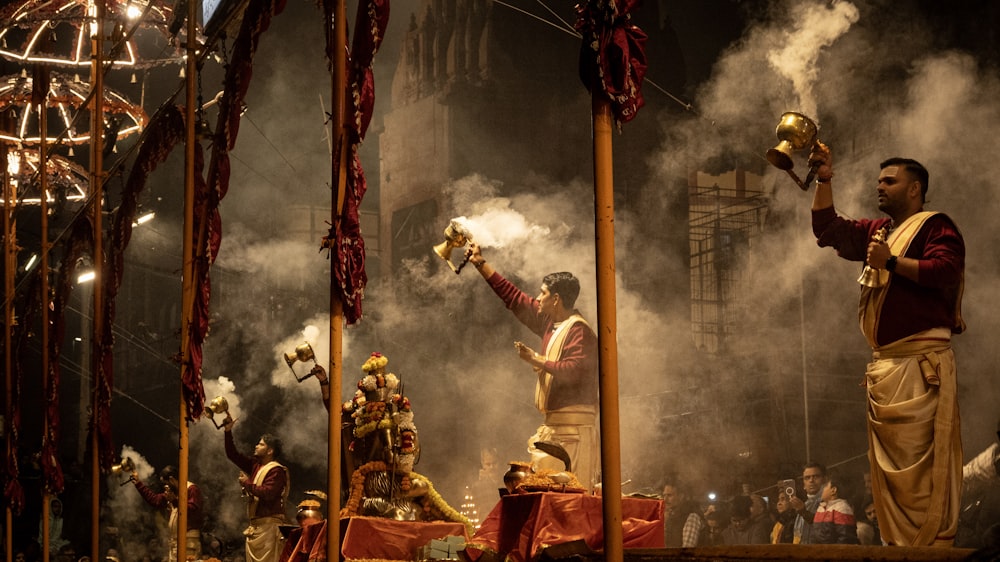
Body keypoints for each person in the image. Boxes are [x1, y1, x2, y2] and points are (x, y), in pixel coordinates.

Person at [808, 143, 965, 547]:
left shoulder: (935, 225)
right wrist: (825, 179)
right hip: (887, 370)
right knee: (890, 476)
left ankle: (930, 549)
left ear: (915, 189)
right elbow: (828, 229)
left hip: (920, 368)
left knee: (921, 476)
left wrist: (890, 263)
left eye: (889, 181)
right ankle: (897, 549)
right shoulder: (878, 232)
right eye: (878, 181)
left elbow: (945, 270)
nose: (880, 186)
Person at [466, 243, 600, 491]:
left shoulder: (580, 331)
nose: (537, 298)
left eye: (543, 293)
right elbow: (514, 299)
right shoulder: (549, 322)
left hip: (574, 433)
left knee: (570, 494)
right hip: (555, 429)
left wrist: (535, 359)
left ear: (556, 299)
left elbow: (573, 371)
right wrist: (480, 263)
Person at [223, 417, 290, 562]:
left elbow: (268, 493)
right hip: (256, 528)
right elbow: (232, 455)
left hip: (269, 529)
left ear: (270, 451)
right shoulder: (255, 465)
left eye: (261, 444)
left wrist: (247, 483)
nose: (256, 446)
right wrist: (228, 431)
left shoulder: (277, 470)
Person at [131, 465, 204, 562]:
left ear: (172, 479)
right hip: (175, 542)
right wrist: (138, 483)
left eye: (166, 483)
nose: (165, 486)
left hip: (189, 540)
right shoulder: (172, 492)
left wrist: (174, 501)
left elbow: (192, 509)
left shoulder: (191, 489)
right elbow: (155, 500)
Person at [810, 476, 859, 545]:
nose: (822, 489)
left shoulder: (842, 509)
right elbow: (814, 534)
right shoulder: (821, 508)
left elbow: (846, 538)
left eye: (825, 486)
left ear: (833, 490)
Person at [790, 462, 826, 544]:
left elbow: (824, 528)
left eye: (816, 476)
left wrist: (804, 512)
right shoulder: (805, 504)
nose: (811, 480)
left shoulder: (829, 502)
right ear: (804, 485)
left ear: (824, 480)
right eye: (807, 478)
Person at [661, 483, 705, 547]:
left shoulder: (691, 517)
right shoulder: (670, 515)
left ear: (681, 496)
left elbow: (687, 551)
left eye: (669, 495)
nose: (665, 499)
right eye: (664, 495)